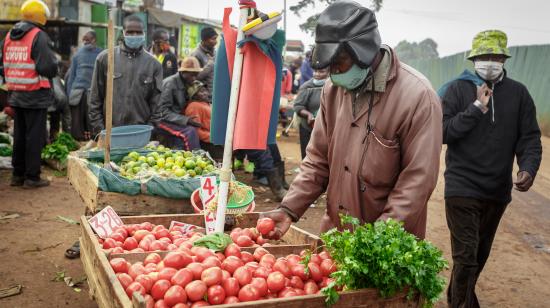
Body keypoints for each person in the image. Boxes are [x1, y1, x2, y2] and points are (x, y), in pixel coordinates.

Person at [260, 1, 442, 240]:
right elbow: (317, 160)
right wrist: (289, 208)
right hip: (336, 236)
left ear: (364, 51)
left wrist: (373, 245)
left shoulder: (418, 98)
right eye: (329, 66)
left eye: (339, 63)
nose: (333, 74)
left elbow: (416, 182)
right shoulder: (332, 91)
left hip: (387, 248)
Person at [441, 30, 542, 308]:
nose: (489, 61)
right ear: (474, 59)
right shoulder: (457, 89)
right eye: (483, 56)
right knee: (466, 257)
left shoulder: (519, 94)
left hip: (497, 192)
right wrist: (475, 107)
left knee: (479, 256)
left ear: (503, 59)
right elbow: (442, 132)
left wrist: (528, 168)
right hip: (461, 188)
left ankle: (458, 299)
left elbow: (529, 138)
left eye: (494, 56)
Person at [0, 0, 58, 188]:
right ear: (40, 16)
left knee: (20, 135)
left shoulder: (9, 35)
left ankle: (17, 175)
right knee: (34, 137)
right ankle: (32, 177)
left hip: (16, 93)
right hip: (34, 95)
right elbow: (46, 67)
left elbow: (3, 66)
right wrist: (54, 66)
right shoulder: (38, 35)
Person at [88, 14, 163, 138]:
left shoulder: (154, 64)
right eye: (130, 32)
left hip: (140, 133)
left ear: (144, 33)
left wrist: (148, 132)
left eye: (138, 32)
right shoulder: (105, 58)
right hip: (110, 133)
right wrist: (101, 131)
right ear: (123, 33)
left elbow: (157, 105)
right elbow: (95, 99)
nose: (134, 35)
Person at [154, 57, 202, 150]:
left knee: (182, 140)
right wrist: (186, 120)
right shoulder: (170, 84)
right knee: (189, 131)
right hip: (160, 120)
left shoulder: (188, 82)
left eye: (196, 75)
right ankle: (196, 157)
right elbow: (162, 111)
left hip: (173, 118)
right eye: (192, 75)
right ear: (183, 72)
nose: (194, 78)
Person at [65, 31, 101, 141]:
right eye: (84, 40)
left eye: (87, 39)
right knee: (85, 123)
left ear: (94, 40)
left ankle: (84, 142)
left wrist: (68, 94)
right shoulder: (100, 54)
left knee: (81, 123)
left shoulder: (99, 54)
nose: (85, 42)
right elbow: (71, 76)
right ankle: (86, 142)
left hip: (85, 93)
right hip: (85, 93)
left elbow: (71, 77)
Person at [294, 68, 329, 159]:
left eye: (321, 71)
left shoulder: (333, 86)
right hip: (308, 126)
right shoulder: (307, 86)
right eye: (315, 71)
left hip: (327, 127)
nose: (317, 74)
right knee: (307, 154)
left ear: (328, 72)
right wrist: (308, 115)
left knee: (324, 154)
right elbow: (298, 106)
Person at [192, 27, 218, 98]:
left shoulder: (215, 53)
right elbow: (194, 77)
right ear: (204, 40)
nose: (216, 42)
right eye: (213, 39)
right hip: (203, 97)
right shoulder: (196, 54)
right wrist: (210, 64)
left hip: (215, 95)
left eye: (216, 39)